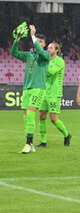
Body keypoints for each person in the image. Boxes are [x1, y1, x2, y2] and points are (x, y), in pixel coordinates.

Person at [10, 24, 50, 153]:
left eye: (40, 42)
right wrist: (18, 39)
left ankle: (28, 144)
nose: (38, 43)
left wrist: (32, 36)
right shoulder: (28, 55)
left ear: (44, 44)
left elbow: (40, 51)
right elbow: (13, 52)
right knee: (27, 116)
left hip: (38, 88)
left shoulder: (46, 55)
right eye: (36, 41)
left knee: (31, 114)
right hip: (27, 88)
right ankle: (31, 143)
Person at [37, 43, 71, 147]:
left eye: (51, 48)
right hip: (43, 92)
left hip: (54, 93)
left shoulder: (59, 61)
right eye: (47, 48)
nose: (48, 49)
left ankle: (67, 134)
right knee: (42, 117)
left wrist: (42, 65)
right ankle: (43, 142)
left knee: (53, 118)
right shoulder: (45, 60)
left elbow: (51, 71)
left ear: (56, 50)